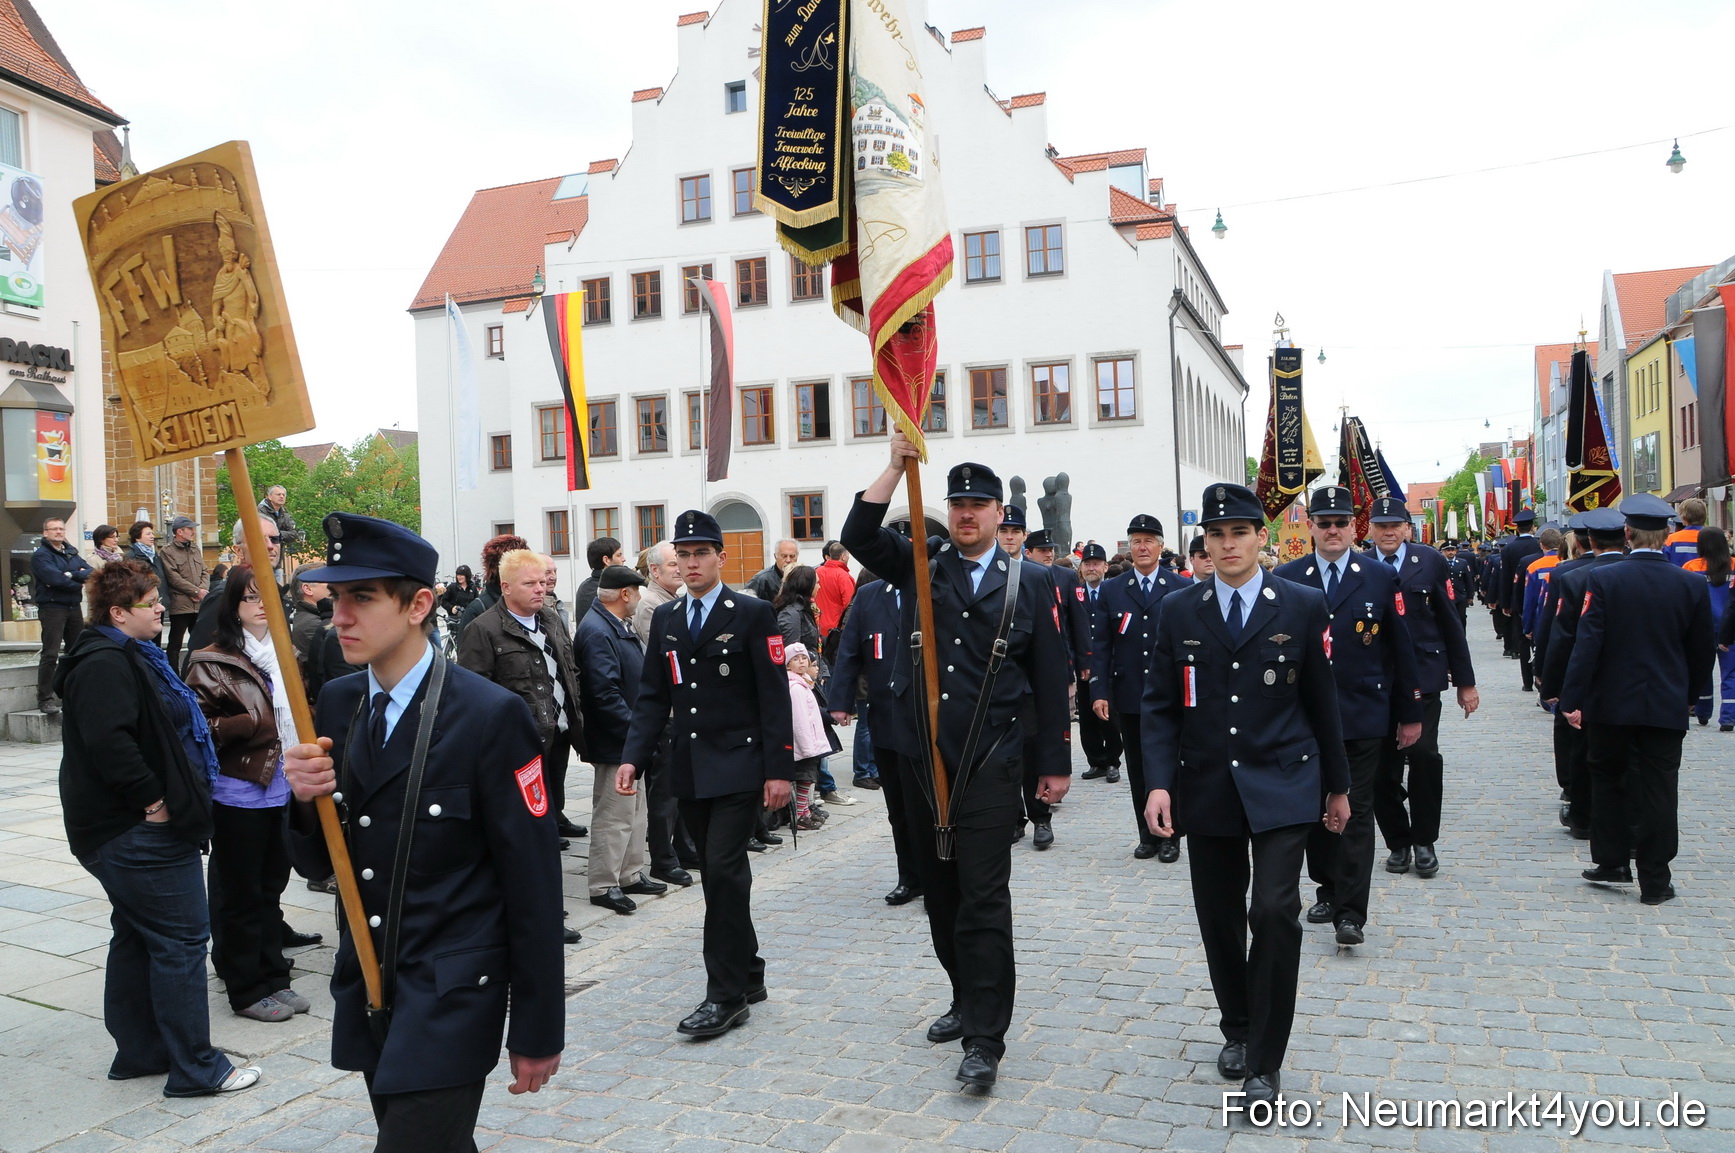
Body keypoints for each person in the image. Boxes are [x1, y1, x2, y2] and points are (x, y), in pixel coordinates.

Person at [282, 512, 565, 1149]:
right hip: (371, 981)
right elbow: (317, 859)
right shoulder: (338, 701)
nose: (341, 617)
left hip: (452, 994)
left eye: (362, 598)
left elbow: (535, 883)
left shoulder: (491, 715)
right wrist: (304, 800)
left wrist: (539, 1028)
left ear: (419, 604)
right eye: (336, 598)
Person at [842, 443, 1071, 1089]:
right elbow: (857, 533)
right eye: (958, 503)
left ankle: (984, 1039)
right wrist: (893, 466)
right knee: (940, 899)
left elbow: (1050, 679)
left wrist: (1051, 763)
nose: (967, 514)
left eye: (979, 504)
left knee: (983, 900)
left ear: (1001, 513)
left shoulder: (1034, 582)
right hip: (922, 762)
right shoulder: (920, 566)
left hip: (992, 761)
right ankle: (963, 994)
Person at [1141, 482, 1350, 1106]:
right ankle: (1237, 1025)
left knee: (1274, 912)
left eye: (1239, 533)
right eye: (1215, 535)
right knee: (1220, 916)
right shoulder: (1180, 609)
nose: (1227, 544)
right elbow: (1159, 705)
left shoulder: (1303, 604)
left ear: (1263, 537)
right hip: (1207, 783)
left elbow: (1322, 700)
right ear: (1203, 543)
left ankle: (1265, 1057)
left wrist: (1338, 785)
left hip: (1285, 779)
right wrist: (1157, 784)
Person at [55, 560, 260, 1097]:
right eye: (151, 603)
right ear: (119, 613)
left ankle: (140, 1053)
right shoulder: (105, 662)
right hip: (134, 831)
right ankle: (197, 1067)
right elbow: (112, 745)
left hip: (122, 829)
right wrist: (153, 803)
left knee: (138, 934)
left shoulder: (131, 654)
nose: (162, 607)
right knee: (180, 942)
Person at [616, 510, 795, 1038]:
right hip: (690, 765)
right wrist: (632, 755)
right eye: (682, 556)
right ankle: (752, 972)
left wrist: (779, 769)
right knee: (720, 875)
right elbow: (653, 695)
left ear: (720, 557)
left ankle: (727, 996)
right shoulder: (669, 619)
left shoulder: (752, 612)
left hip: (741, 764)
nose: (691, 564)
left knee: (722, 870)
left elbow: (773, 696)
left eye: (700, 554)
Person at [1274, 487, 1423, 948]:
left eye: (1341, 521)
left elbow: (1400, 652)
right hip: (1304, 719)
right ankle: (1327, 888)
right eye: (1324, 522)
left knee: (1355, 812)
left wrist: (1410, 714)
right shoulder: (1287, 577)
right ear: (1311, 527)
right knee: (1317, 808)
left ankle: (1351, 913)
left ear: (1353, 527)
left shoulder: (1378, 577)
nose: (1333, 529)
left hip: (1362, 715)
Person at [1559, 495, 1716, 906]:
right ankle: (1656, 879)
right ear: (1666, 535)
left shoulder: (1605, 580)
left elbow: (1587, 645)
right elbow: (1701, 649)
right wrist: (1691, 697)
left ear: (1627, 534)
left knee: (1608, 778)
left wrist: (1572, 698)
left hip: (1611, 703)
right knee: (1660, 787)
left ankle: (1612, 860)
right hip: (1665, 702)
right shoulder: (1691, 583)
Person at [184, 565, 303, 1023]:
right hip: (238, 790)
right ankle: (245, 985)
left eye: (269, 597)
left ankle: (273, 975)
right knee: (239, 893)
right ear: (233, 606)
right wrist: (251, 723)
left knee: (271, 888)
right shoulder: (209, 659)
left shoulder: (284, 652)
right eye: (252, 598)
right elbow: (196, 729)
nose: (261, 606)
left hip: (282, 785)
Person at [1363, 498, 1479, 880]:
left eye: (1395, 525)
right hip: (1375, 682)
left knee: (1425, 755)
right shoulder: (1360, 566)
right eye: (1381, 526)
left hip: (1424, 676)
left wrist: (1465, 681)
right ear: (1370, 530)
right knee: (1382, 768)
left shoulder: (1429, 561)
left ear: (1408, 528)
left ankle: (1425, 840)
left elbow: (1450, 622)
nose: (1388, 532)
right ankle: (1397, 841)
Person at [457, 548, 588, 878]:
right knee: (523, 827)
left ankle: (544, 897)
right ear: (506, 587)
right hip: (517, 746)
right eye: (530, 583)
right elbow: (473, 697)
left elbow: (568, 672)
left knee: (549, 819)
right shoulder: (483, 630)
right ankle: (525, 898)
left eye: (542, 582)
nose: (540, 589)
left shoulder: (552, 619)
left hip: (557, 737)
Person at [1088, 514, 1184, 862]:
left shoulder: (1179, 587)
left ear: (1161, 546)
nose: (1142, 547)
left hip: (1170, 694)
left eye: (1149, 541)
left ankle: (1172, 834)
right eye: (1136, 541)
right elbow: (1101, 644)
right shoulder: (1114, 589)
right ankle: (1146, 834)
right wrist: (1099, 690)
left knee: (1171, 764)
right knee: (1139, 766)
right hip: (1129, 693)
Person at [827, 574, 924, 905]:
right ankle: (909, 877)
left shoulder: (932, 584)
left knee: (929, 806)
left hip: (929, 719)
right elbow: (850, 649)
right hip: (885, 716)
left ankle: (938, 881)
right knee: (897, 806)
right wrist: (839, 701)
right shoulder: (869, 595)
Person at [576, 565, 667, 915]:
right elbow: (604, 693)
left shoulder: (612, 625)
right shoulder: (599, 631)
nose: (640, 598)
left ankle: (629, 874)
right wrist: (636, 730)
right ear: (625, 594)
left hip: (630, 740)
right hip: (617, 740)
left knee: (634, 812)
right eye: (637, 591)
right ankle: (603, 884)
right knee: (614, 815)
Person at [1538, 509, 1627, 837]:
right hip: (1633, 681)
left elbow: (1560, 635)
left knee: (1581, 744)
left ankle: (1581, 809)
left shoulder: (1572, 576)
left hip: (1587, 676)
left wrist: (1550, 682)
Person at [1019, 528, 1092, 849]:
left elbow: (1075, 621)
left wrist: (1081, 660)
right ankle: (1011, 819)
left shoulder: (1060, 578)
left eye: (1050, 549)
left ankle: (1040, 817)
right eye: (1041, 549)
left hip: (1047, 668)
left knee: (1038, 745)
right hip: (1005, 681)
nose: (1048, 554)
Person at [633, 540, 697, 884]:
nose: (681, 567)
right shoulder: (651, 605)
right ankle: (663, 857)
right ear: (655, 570)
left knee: (683, 786)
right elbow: (668, 656)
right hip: (667, 711)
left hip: (684, 709)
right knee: (665, 791)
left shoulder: (676, 601)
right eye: (674, 562)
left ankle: (684, 848)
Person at [31, 515, 93, 714]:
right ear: (45, 533)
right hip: (52, 607)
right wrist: (76, 579)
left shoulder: (71, 552)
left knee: (75, 652)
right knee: (50, 653)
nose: (59, 532)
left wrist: (70, 574)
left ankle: (73, 695)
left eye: (61, 528)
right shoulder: (41, 555)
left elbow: (90, 571)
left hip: (73, 607)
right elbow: (52, 578)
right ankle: (45, 699)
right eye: (54, 529)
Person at [1073, 543, 1123, 783]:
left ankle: (1113, 760)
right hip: (1084, 664)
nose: (1091, 568)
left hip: (1109, 665)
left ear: (1105, 566)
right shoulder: (1076, 593)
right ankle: (1096, 760)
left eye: (1095, 563)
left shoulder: (1114, 592)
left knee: (1109, 714)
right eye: (1087, 564)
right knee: (1087, 716)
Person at [1686, 527, 1733, 731]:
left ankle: (1703, 712)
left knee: (1702, 671)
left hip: (1701, 627)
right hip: (1731, 628)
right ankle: (1728, 718)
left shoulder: (1691, 567)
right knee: (1731, 673)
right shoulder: (1733, 565)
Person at [785, 643, 833, 828]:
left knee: (809, 776)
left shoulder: (804, 682)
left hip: (811, 741)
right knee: (805, 776)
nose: (801, 662)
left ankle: (804, 810)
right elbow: (799, 720)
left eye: (804, 658)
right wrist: (807, 746)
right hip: (804, 743)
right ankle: (800, 815)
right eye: (795, 660)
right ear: (788, 665)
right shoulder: (795, 687)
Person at [453, 533, 529, 644]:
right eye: (519, 565)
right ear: (497, 568)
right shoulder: (477, 611)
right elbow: (468, 659)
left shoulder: (533, 607)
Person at [1499, 509, 1542, 686]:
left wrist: (1506, 602)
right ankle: (1540, 674)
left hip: (1519, 600)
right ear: (1533, 527)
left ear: (1517, 529)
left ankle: (1527, 681)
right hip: (1540, 597)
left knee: (1523, 640)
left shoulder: (1509, 548)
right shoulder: (1538, 546)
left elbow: (1506, 578)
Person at [160, 516, 210, 671]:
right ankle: (173, 674)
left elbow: (205, 571)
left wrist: (202, 590)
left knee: (199, 641)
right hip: (181, 604)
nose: (193, 532)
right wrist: (195, 591)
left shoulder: (195, 549)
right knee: (175, 643)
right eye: (190, 529)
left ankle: (197, 672)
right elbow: (173, 577)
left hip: (198, 604)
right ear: (180, 532)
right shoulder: (167, 551)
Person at [572, 536, 624, 622]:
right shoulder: (601, 589)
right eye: (619, 555)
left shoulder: (588, 585)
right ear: (606, 560)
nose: (623, 559)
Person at [257, 485, 305, 578]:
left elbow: (293, 534)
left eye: (283, 495)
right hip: (263, 562)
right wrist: (280, 535)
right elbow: (265, 533)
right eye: (278, 494)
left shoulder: (284, 512)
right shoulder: (260, 511)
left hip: (277, 562)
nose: (282, 496)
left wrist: (278, 535)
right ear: (269, 496)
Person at [814, 541, 856, 641]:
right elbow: (850, 606)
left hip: (817, 626)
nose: (849, 557)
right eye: (848, 554)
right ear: (843, 556)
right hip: (836, 630)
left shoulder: (817, 571)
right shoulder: (844, 576)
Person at [1662, 497, 1706, 567]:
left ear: (1684, 517)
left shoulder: (1671, 540)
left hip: (1677, 577)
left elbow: (1664, 564)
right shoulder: (1712, 538)